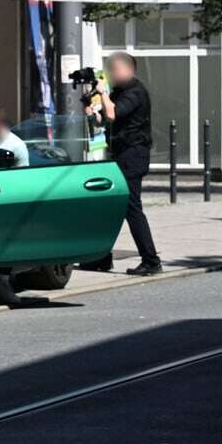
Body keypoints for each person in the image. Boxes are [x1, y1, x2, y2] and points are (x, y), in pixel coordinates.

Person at [82, 52, 161, 276]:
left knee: (131, 207)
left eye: (115, 69)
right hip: (118, 153)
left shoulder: (136, 92)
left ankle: (151, 261)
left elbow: (113, 113)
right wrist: (89, 107)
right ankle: (101, 258)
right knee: (108, 205)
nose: (110, 74)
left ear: (129, 70)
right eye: (110, 69)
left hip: (133, 155)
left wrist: (103, 93)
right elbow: (103, 119)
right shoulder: (118, 93)